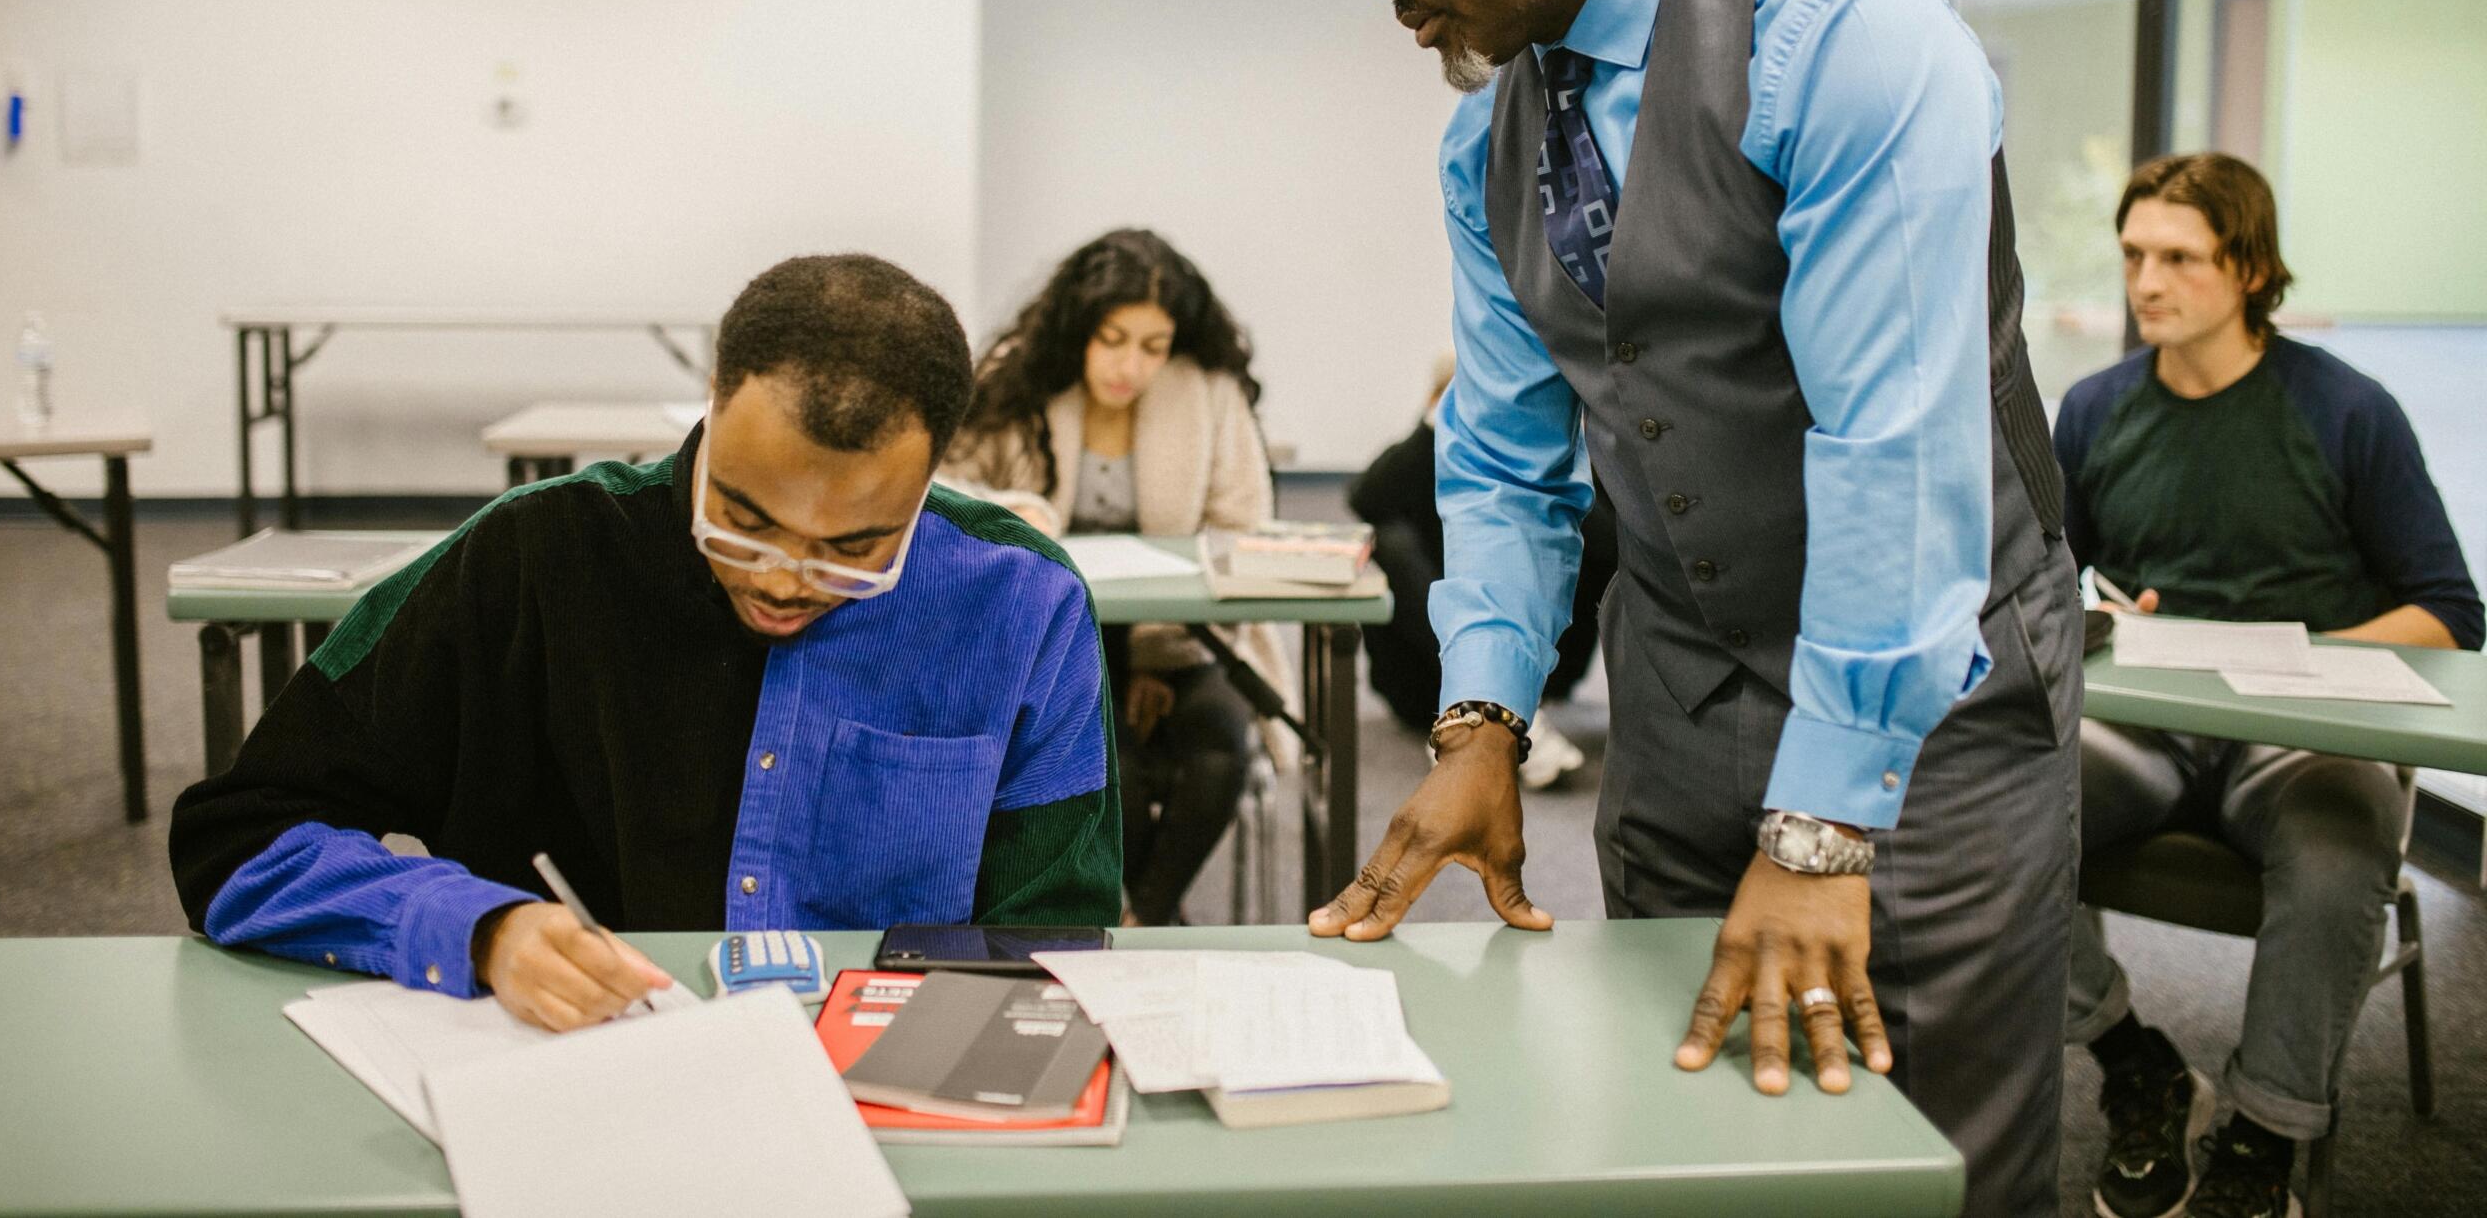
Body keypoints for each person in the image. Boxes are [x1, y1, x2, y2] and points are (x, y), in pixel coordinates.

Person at [1315, 0, 2081, 1217]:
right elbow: (1508, 455)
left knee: (1931, 1166)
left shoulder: (1850, 37)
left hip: (1927, 718)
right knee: (1692, 1146)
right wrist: (1480, 722)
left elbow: (1893, 450)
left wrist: (1823, 823)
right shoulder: (1489, 137)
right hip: (1676, 696)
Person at [169, 255, 1119, 1033]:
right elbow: (240, 836)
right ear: (710, 399)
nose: (785, 578)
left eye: (855, 548)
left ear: (933, 474)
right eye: (743, 518)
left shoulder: (1022, 604)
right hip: (572, 1081)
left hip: (886, 1107)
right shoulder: (532, 558)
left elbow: (1051, 940)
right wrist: (480, 929)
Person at [2057, 152, 2480, 1218]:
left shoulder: (2347, 411)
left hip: (2305, 732)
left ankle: (2260, 1139)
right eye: (2133, 256)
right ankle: (2135, 1065)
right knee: (1978, 810)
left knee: (2342, 856)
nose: (2146, 282)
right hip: (2150, 727)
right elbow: (2041, 585)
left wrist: (2296, 660)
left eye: (2179, 258)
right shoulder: (2096, 410)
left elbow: (2451, 612)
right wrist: (2102, 622)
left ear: (2247, 268)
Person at [942, 228, 1293, 926]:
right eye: (1113, 338)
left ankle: (1140, 921)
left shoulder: (1208, 391)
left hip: (1187, 639)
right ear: (1079, 328)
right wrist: (1022, 510)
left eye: (1153, 346)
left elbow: (1239, 527)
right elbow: (953, 495)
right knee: (1110, 769)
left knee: (1219, 753)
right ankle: (1145, 917)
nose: (1130, 364)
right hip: (1050, 641)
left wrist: (1154, 655)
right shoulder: (1019, 377)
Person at [1348, 356, 1612, 789]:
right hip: (1423, 683)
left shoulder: (1539, 462)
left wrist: (1563, 461)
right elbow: (1365, 497)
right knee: (1388, 542)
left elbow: (1609, 543)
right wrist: (1440, 427)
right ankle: (1480, 704)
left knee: (1572, 534)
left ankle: (1494, 708)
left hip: (1542, 670)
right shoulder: (1416, 463)